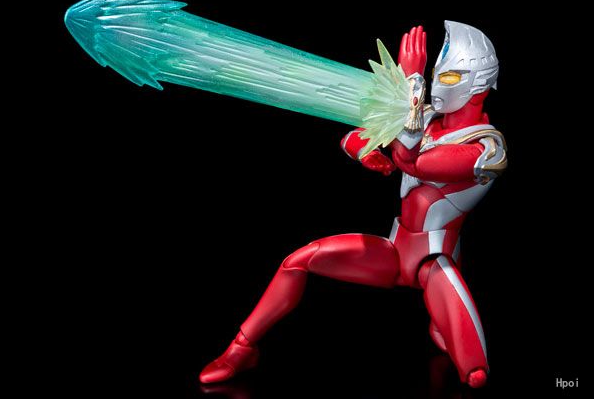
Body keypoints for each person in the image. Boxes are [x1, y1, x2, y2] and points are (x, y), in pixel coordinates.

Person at [199, 21, 506, 389]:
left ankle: (442, 326)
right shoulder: (423, 119)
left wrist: (410, 84)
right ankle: (241, 348)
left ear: (479, 84)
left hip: (435, 262)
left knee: (474, 375)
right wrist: (363, 150)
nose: (437, 85)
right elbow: (356, 135)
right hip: (396, 250)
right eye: (434, 75)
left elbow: (415, 163)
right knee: (298, 261)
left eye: (451, 77)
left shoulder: (488, 149)